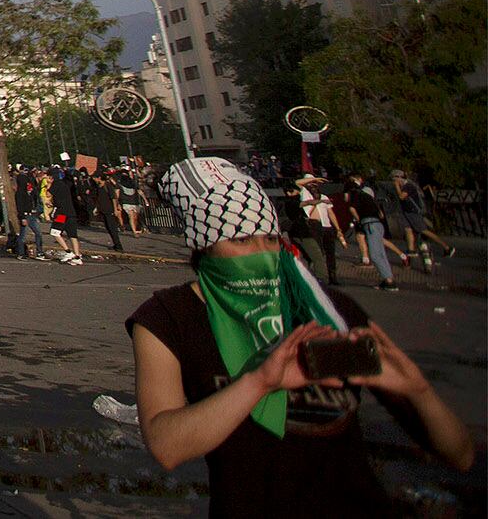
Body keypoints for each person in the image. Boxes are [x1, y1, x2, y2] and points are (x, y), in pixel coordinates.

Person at [127, 157, 473, 513]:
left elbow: (460, 455)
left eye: (270, 239)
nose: (262, 255)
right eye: (243, 240)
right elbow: (167, 445)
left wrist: (419, 390)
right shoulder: (169, 318)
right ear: (202, 244)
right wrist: (257, 382)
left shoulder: (326, 308)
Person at [344, 172, 399, 291]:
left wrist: (359, 220)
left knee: (374, 255)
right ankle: (388, 278)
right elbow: (381, 214)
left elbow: (352, 208)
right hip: (378, 224)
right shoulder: (367, 196)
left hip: (369, 224)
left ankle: (389, 281)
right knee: (381, 253)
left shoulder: (355, 195)